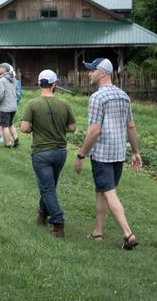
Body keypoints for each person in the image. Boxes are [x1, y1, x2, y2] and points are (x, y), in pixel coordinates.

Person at [74, 58, 142, 250]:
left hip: (102, 154)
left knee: (109, 193)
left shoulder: (97, 97)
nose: (89, 74)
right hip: (119, 153)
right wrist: (136, 152)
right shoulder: (123, 96)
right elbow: (131, 126)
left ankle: (128, 234)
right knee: (102, 192)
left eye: (92, 70)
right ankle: (98, 231)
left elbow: (95, 130)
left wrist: (81, 155)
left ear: (102, 73)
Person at [20, 69, 76, 238]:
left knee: (47, 188)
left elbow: (24, 128)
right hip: (60, 152)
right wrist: (60, 128)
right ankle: (42, 214)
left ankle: (58, 222)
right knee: (50, 186)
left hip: (41, 152)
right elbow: (72, 128)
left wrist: (34, 127)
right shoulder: (65, 104)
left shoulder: (33, 104)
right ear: (54, 84)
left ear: (39, 83)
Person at [0, 62, 19, 148]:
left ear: (4, 70)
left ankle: (7, 144)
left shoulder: (2, 80)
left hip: (5, 107)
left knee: (4, 126)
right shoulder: (13, 80)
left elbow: (1, 94)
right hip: (13, 106)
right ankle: (16, 140)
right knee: (10, 124)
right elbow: (16, 92)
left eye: (0, 68)